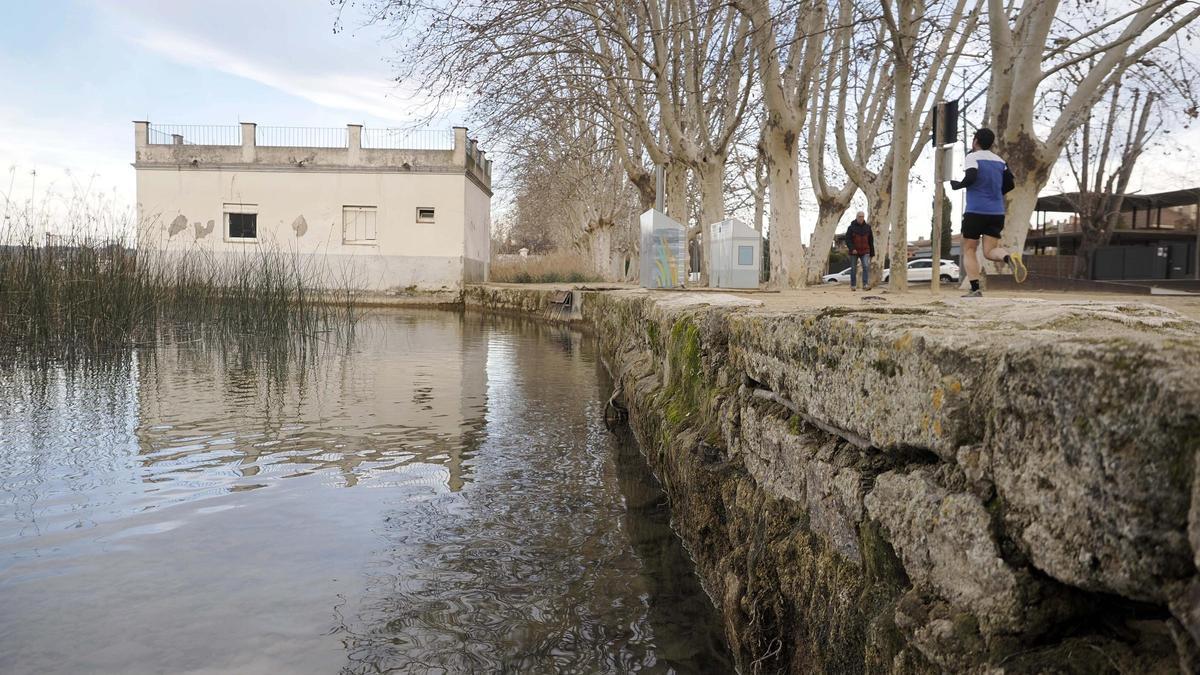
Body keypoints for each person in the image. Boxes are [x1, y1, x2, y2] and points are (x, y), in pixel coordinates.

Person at [949, 127, 1027, 297]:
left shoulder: (972, 156)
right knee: (990, 251)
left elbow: (971, 177)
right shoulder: (1000, 161)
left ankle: (975, 289)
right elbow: (1010, 184)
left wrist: (958, 185)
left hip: (975, 211)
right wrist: (994, 194)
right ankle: (1008, 257)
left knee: (969, 249)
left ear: (975, 141)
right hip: (996, 212)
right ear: (991, 144)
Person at [843, 211, 874, 291]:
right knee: (853, 268)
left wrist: (872, 253)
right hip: (854, 251)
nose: (861, 218)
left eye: (862, 216)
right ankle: (853, 285)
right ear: (856, 217)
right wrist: (852, 249)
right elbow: (847, 239)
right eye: (860, 216)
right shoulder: (851, 227)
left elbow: (871, 240)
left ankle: (865, 285)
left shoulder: (868, 227)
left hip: (865, 251)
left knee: (866, 267)